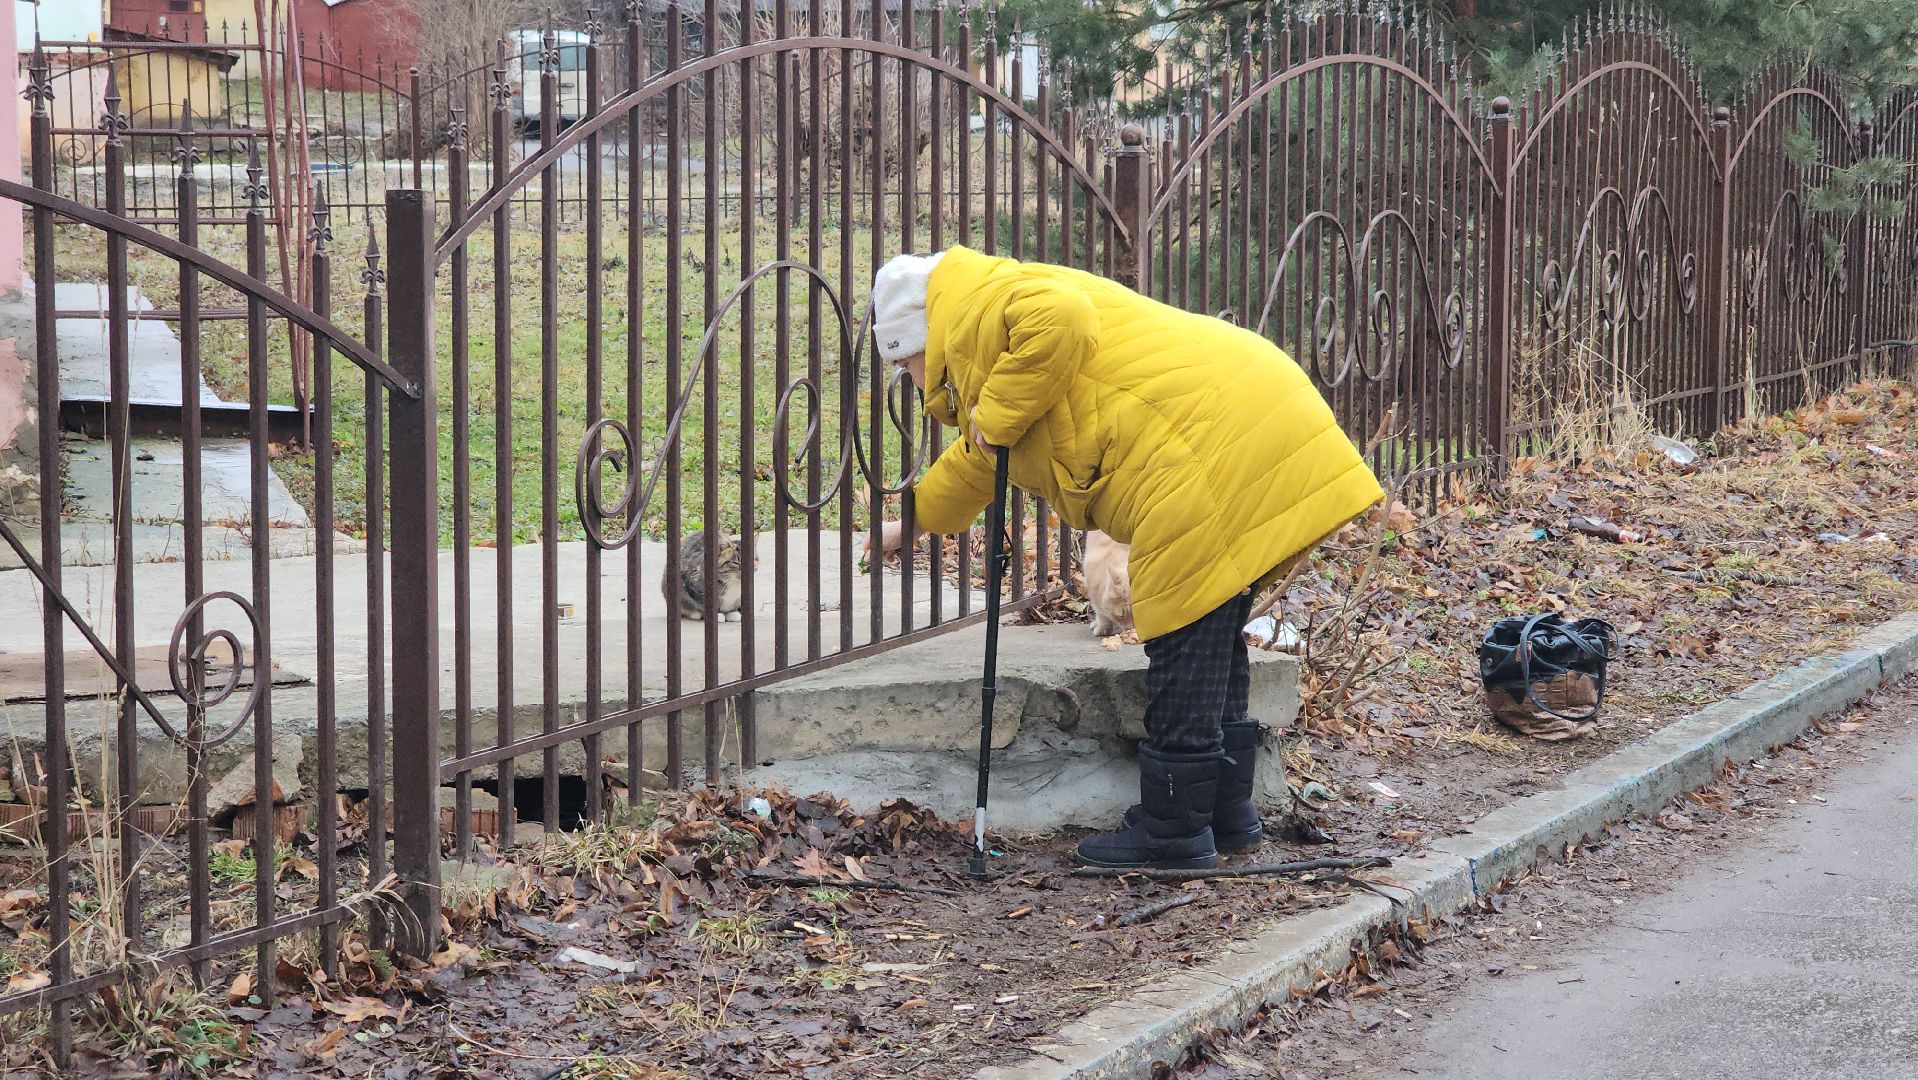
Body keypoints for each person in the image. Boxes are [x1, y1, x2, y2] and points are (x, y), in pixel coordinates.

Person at [870, 246, 1382, 870]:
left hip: (1210, 440)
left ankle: (1172, 831)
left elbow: (1065, 318)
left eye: (904, 366)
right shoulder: (993, 354)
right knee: (1214, 631)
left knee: (1185, 632)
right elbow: (986, 455)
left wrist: (995, 416)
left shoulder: (992, 305)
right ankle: (1226, 815)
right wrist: (916, 519)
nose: (914, 383)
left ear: (918, 341)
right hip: (1240, 417)